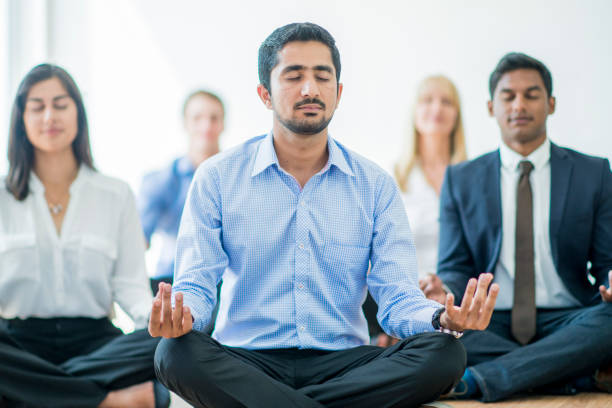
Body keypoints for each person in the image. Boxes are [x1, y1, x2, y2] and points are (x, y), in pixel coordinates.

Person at [149, 22, 499, 408]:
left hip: (344, 363)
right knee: (173, 353)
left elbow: (397, 297)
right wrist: (183, 318)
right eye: (294, 76)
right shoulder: (217, 177)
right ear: (265, 94)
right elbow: (196, 285)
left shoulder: (375, 185)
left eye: (322, 76)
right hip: (245, 359)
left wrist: (442, 320)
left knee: (445, 353)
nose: (310, 89)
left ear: (338, 92)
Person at [423, 52, 612, 402]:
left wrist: (610, 280)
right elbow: (453, 265)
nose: (519, 105)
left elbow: (606, 263)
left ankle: (477, 381)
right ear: (491, 107)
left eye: (532, 94)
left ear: (551, 103)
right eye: (508, 96)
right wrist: (443, 290)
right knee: (434, 334)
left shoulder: (594, 173)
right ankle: (574, 374)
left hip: (570, 318)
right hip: (489, 322)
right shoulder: (461, 179)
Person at [0, 64, 169, 408]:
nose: (50, 116)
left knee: (179, 343)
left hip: (96, 344)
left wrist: (157, 322)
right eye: (38, 106)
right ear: (21, 119)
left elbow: (131, 286)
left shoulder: (116, 193)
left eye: (61, 105)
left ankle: (35, 392)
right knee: (154, 396)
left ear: (78, 113)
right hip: (19, 343)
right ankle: (104, 400)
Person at [370, 75, 468, 346]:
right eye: (427, 100)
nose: (436, 108)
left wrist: (444, 290)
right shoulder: (391, 178)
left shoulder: (473, 179)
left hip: (456, 295)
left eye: (446, 102)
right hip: (405, 295)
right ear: (414, 113)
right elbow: (379, 256)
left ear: (456, 115)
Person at [138, 90, 224, 295]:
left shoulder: (240, 179)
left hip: (226, 284)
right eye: (197, 118)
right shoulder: (160, 181)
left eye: (214, 118)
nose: (206, 126)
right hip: (172, 282)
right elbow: (137, 241)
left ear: (223, 124)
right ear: (185, 124)